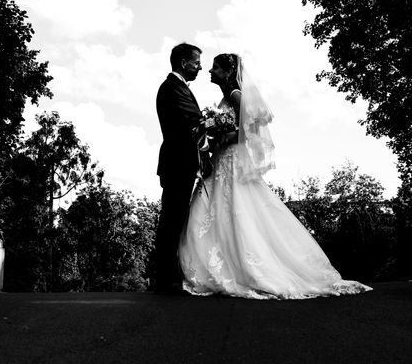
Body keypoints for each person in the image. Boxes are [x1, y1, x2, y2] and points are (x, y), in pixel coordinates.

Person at [179, 53, 372, 299]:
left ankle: (246, 270)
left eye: (215, 68)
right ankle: (227, 268)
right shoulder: (227, 97)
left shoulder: (236, 96)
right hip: (222, 160)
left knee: (236, 211)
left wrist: (219, 133)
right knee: (218, 211)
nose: (209, 71)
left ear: (227, 72)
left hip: (232, 160)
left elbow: (246, 133)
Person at [154, 42, 209, 294]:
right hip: (177, 164)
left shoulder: (178, 88)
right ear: (184, 62)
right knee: (171, 220)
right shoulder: (172, 89)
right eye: (197, 62)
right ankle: (166, 279)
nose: (200, 67)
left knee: (175, 219)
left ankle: (168, 277)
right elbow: (193, 122)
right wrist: (216, 125)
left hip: (182, 164)